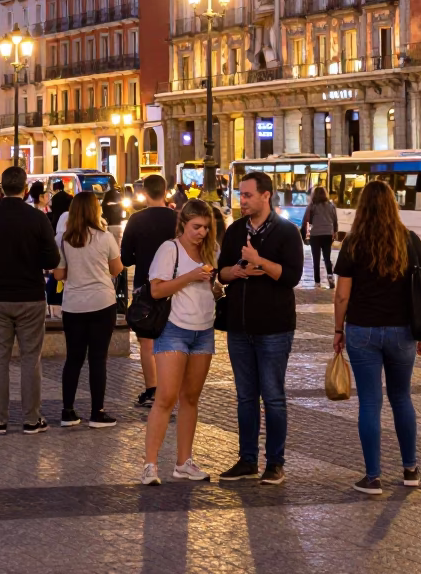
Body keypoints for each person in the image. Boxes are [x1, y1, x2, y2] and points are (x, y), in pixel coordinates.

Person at [332, 181, 421, 494]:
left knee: (370, 403)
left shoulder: (353, 242)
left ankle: (372, 476)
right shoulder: (409, 240)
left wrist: (338, 331)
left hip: (362, 330)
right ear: (393, 205)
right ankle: (410, 469)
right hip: (403, 330)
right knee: (402, 397)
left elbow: (341, 296)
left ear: (362, 207)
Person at [217, 171, 304, 486]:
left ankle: (275, 463)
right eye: (240, 195)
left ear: (266, 196)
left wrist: (259, 261)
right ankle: (247, 460)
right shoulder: (235, 230)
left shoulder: (287, 232)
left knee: (273, 396)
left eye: (247, 195)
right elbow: (222, 273)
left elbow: (291, 276)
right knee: (245, 397)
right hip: (239, 327)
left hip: (274, 328)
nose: (242, 201)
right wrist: (238, 270)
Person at [0, 165, 61, 435]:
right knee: (30, 359)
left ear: (0, 187)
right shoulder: (37, 218)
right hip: (30, 295)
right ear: (24, 189)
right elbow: (52, 259)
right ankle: (31, 419)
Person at [141, 199, 218, 486]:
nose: (202, 233)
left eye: (206, 228)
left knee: (191, 399)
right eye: (197, 227)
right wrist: (191, 276)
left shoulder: (212, 250)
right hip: (174, 329)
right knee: (166, 398)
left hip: (204, 330)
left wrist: (222, 283)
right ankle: (150, 464)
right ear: (183, 223)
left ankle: (183, 462)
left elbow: (213, 289)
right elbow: (157, 289)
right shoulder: (169, 249)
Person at [51, 192, 123, 429]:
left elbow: (59, 274)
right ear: (96, 211)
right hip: (102, 303)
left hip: (73, 305)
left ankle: (68, 411)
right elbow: (116, 269)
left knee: (73, 358)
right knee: (97, 359)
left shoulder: (63, 239)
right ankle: (97, 413)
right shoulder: (105, 237)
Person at [120, 173, 179, 407]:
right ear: (166, 192)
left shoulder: (136, 220)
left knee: (147, 341)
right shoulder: (177, 219)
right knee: (172, 339)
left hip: (144, 286)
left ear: (144, 193)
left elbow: (125, 257)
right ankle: (170, 388)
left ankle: (152, 390)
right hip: (174, 286)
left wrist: (142, 256)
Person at [300, 185, 338, 289]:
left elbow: (306, 221)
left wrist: (305, 234)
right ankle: (330, 276)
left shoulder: (312, 206)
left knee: (316, 259)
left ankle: (317, 282)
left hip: (315, 235)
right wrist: (334, 232)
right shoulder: (331, 205)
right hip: (327, 234)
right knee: (327, 257)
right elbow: (335, 220)